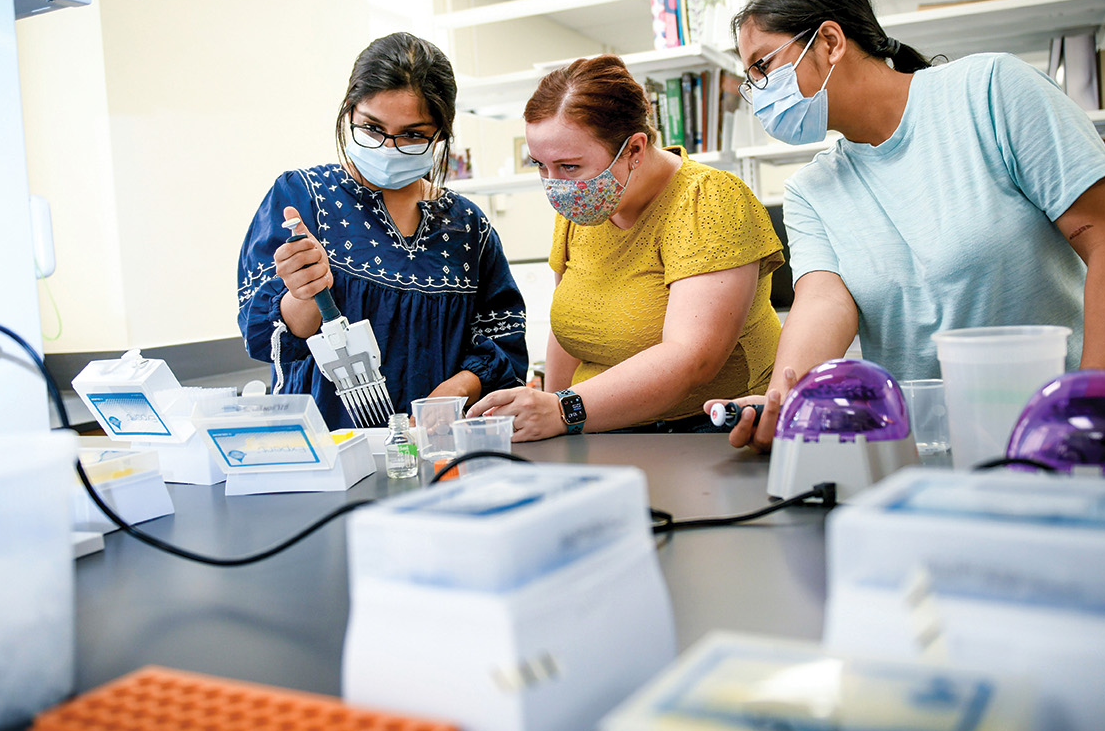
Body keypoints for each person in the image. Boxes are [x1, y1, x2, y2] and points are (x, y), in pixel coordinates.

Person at [714, 0, 1105, 451]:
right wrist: (785, 399)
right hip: (925, 447)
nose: (756, 94)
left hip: (1056, 434)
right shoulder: (810, 189)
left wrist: (1093, 409)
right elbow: (823, 301)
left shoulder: (991, 92)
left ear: (831, 42)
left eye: (762, 67)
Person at [468, 55, 785, 440]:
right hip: (602, 429)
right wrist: (545, 415)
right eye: (540, 165)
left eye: (569, 167)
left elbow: (691, 359)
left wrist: (562, 410)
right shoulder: (581, 208)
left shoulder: (707, 200)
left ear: (634, 148)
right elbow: (568, 332)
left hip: (705, 432)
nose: (554, 185)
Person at [237, 32, 528, 429]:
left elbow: (505, 347)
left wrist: (458, 389)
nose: (388, 147)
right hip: (325, 450)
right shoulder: (303, 198)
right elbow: (267, 342)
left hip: (434, 451)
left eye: (412, 135)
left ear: (440, 134)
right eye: (372, 128)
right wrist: (302, 292)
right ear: (350, 111)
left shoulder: (468, 229)